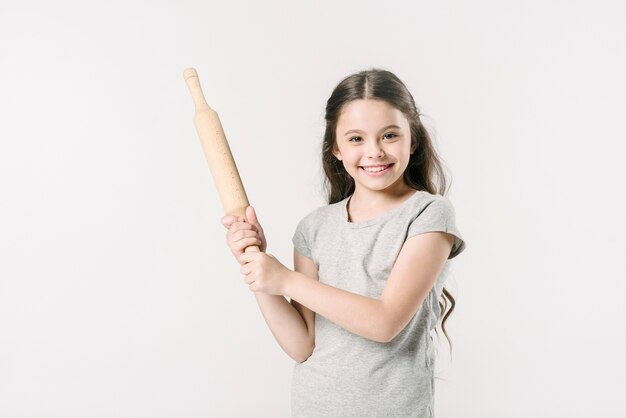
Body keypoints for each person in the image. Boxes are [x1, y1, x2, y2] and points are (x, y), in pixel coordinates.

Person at [220, 68, 467, 418]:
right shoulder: (314, 228)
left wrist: (287, 279)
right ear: (335, 148)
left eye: (390, 135)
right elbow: (302, 345)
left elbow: (385, 323)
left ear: (413, 140)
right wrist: (260, 270)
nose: (375, 151)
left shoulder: (428, 214)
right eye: (356, 139)